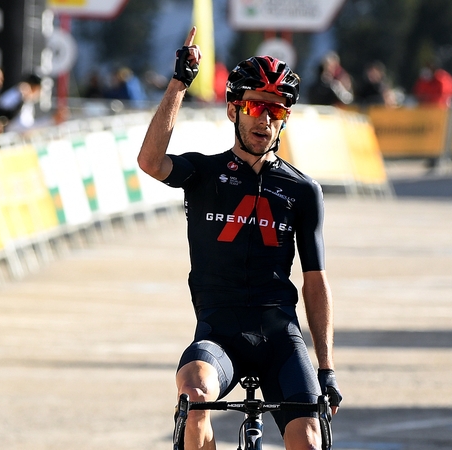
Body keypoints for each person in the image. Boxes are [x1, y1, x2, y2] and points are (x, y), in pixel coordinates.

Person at [137, 27, 342, 450]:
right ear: (234, 111)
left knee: (309, 438)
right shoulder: (203, 174)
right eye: (254, 107)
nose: (265, 120)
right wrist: (179, 82)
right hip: (219, 332)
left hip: (280, 335)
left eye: (277, 111)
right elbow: (150, 161)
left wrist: (326, 367)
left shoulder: (303, 191)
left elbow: (316, 281)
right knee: (193, 401)